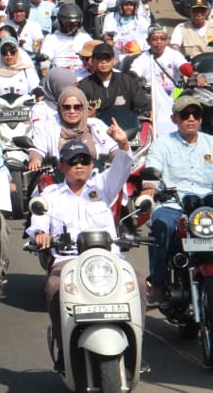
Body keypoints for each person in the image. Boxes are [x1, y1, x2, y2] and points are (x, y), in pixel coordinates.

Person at [27, 130, 132, 372]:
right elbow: (39, 221)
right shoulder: (50, 194)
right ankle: (65, 349)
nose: (79, 166)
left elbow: (123, 166)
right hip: (69, 261)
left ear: (91, 164)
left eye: (84, 160)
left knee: (136, 283)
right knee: (54, 288)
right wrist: (41, 235)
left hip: (109, 259)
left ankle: (133, 345)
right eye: (73, 162)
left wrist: (123, 142)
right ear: (62, 166)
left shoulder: (103, 186)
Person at [143, 94, 213, 304]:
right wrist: (149, 189)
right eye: (185, 114)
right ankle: (159, 283)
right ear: (175, 119)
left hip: (207, 207)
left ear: (201, 118)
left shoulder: (211, 143)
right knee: (161, 224)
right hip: (174, 205)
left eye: (195, 114)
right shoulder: (162, 144)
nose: (190, 118)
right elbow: (151, 171)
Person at [27, 86, 120, 171]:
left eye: (77, 107)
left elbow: (114, 149)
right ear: (59, 108)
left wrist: (120, 153)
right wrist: (35, 159)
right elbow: (37, 148)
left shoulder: (96, 125)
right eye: (66, 107)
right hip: (59, 181)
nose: (72, 111)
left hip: (96, 179)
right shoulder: (50, 126)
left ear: (84, 107)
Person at [77, 43, 150, 118]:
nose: (104, 62)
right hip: (97, 127)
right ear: (92, 61)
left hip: (126, 126)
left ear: (114, 61)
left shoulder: (126, 81)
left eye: (107, 58)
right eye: (100, 58)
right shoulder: (83, 86)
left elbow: (144, 105)